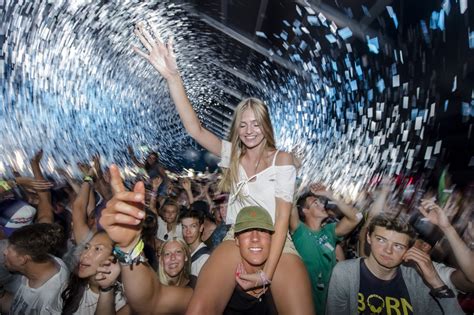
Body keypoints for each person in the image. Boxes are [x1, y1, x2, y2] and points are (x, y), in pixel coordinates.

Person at [133, 22, 314, 315]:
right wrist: (173, 78)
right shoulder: (233, 155)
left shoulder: (282, 160)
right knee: (199, 308)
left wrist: (266, 273)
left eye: (256, 123)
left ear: (266, 126)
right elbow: (195, 129)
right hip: (235, 236)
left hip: (276, 239)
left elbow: (282, 221)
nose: (249, 130)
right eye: (243, 124)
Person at [326, 213, 464, 315]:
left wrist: (436, 282)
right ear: (369, 237)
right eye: (381, 240)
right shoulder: (344, 273)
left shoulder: (418, 279)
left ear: (408, 249)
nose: (388, 250)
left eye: (398, 246)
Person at [290, 183, 361, 315]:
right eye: (315, 203)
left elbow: (357, 217)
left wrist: (329, 194)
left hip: (331, 299)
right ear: (305, 211)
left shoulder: (330, 231)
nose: (322, 205)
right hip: (306, 299)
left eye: (321, 202)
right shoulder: (300, 231)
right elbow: (289, 199)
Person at [0, 223, 69, 314]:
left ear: (22, 260)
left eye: (9, 250)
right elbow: (18, 307)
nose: (5, 252)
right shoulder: (40, 261)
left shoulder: (50, 301)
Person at [223, 206, 277, 315]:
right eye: (247, 230)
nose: (255, 238)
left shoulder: (282, 286)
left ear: (272, 239)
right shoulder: (224, 292)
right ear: (237, 240)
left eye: (262, 230)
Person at [61, 231, 130, 314]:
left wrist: (107, 288)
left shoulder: (126, 300)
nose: (84, 255)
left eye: (97, 249)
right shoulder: (70, 286)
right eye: (86, 247)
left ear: (113, 259)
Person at [179, 209, 210, 276]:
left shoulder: (205, 258)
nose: (188, 231)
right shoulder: (182, 251)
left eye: (193, 226)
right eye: (184, 227)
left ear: (201, 228)